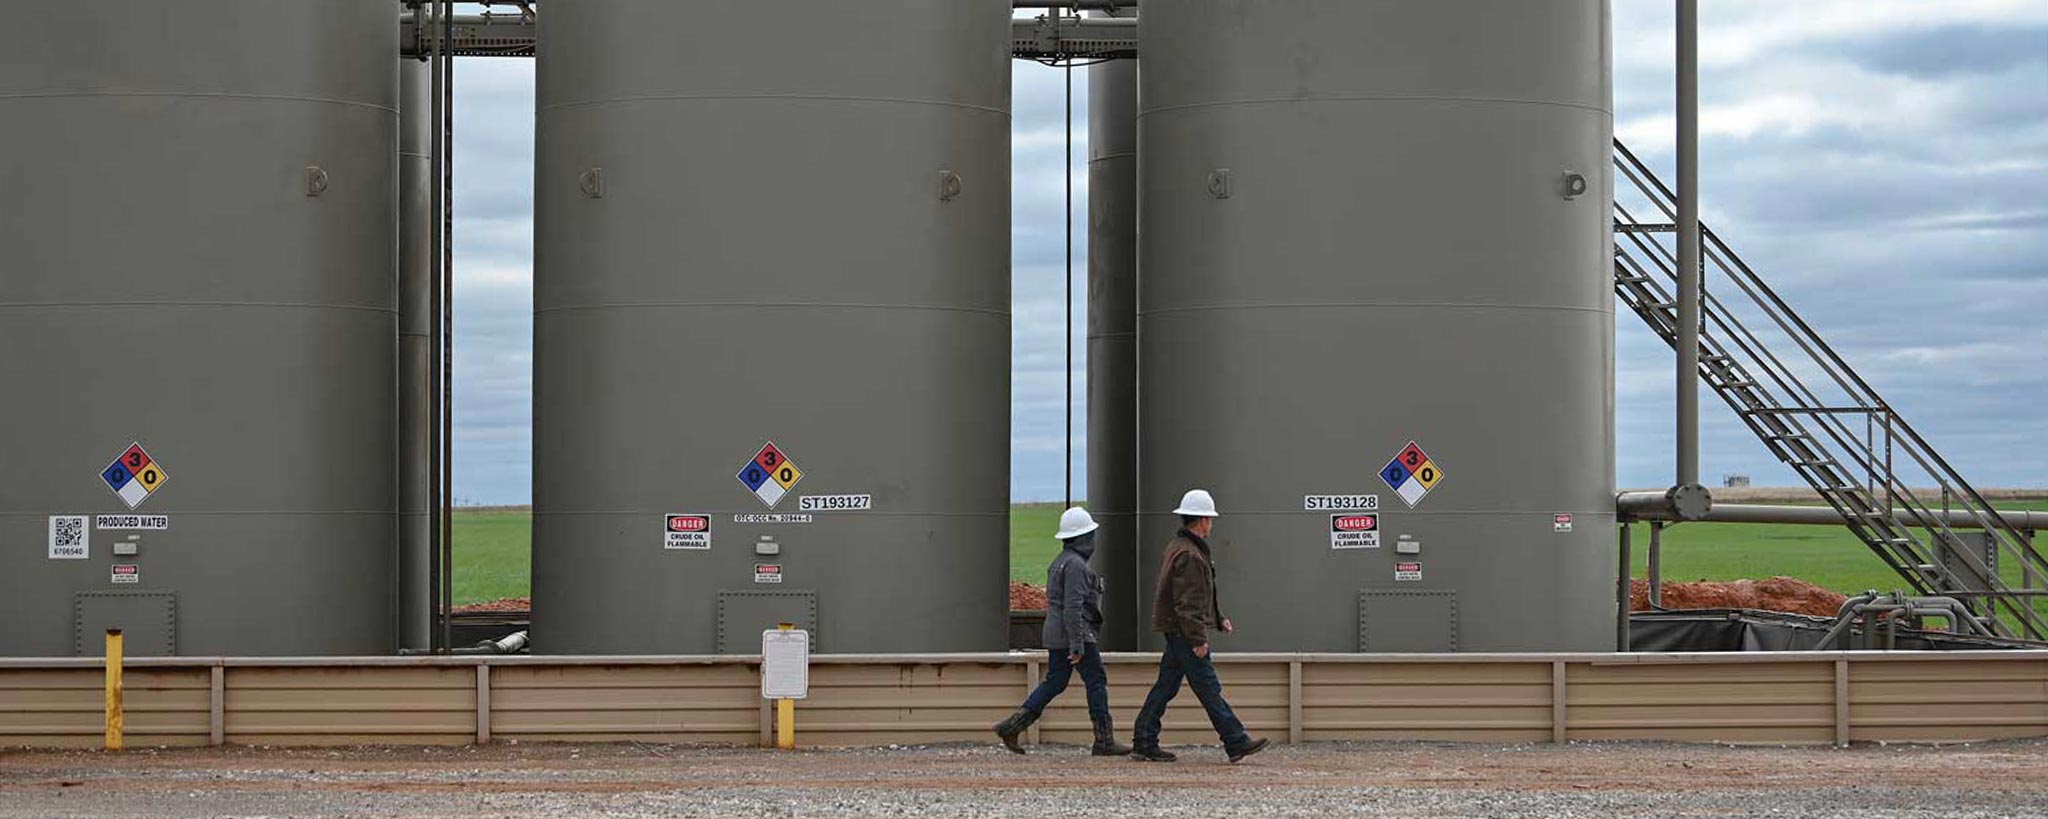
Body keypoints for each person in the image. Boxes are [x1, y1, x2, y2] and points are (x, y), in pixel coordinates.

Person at [1128, 489, 1269, 763]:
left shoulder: (1178, 547)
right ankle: (1236, 740)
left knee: (1166, 686)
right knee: (1207, 686)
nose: (1212, 525)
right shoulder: (1190, 555)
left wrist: (1217, 619)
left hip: (1177, 628)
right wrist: (1197, 639)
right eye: (1210, 519)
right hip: (1184, 632)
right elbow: (1187, 602)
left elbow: (1196, 595)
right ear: (1202, 520)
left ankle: (1144, 739)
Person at [992, 507, 1133, 756]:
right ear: (1082, 539)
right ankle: (1104, 740)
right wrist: (1077, 643)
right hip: (1074, 633)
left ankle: (1013, 726)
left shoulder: (1059, 563)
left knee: (1056, 681)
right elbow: (1073, 606)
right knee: (1096, 680)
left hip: (1055, 633)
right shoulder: (1077, 566)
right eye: (1090, 535)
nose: (1093, 541)